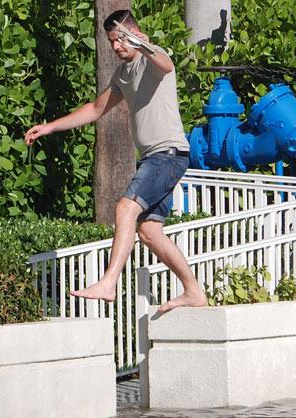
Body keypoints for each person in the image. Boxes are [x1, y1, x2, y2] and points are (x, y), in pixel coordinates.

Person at [23, 9, 206, 314]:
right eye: (112, 42)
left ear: (133, 34)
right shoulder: (123, 74)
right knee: (149, 232)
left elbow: (166, 63)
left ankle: (109, 283)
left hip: (168, 154)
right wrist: (50, 126)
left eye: (120, 40)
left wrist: (143, 44)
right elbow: (96, 108)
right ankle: (193, 291)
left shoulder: (152, 57)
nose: (116, 48)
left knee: (124, 208)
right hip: (154, 157)